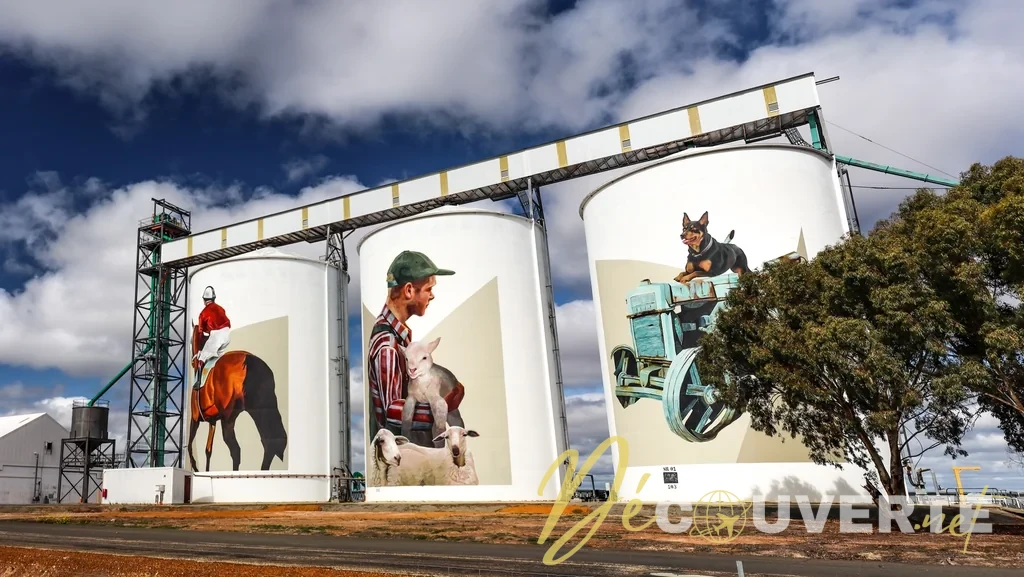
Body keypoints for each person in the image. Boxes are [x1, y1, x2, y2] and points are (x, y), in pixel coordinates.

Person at [366, 250, 465, 448]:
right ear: (409, 290)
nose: (433, 295)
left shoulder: (399, 338)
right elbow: (391, 414)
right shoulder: (388, 345)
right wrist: (444, 405)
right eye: (429, 288)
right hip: (403, 461)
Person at [193, 285, 231, 389]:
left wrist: (200, 349)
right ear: (214, 298)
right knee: (218, 358)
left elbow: (200, 332)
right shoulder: (221, 308)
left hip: (216, 335)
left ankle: (198, 382)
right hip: (227, 334)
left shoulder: (203, 313)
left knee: (202, 357)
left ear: (204, 300)